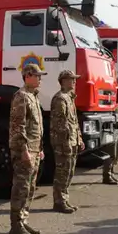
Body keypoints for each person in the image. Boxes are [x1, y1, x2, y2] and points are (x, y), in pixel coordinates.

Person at [8, 63, 46, 234]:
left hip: (34, 149)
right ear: (28, 75)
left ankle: (23, 219)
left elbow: (36, 127)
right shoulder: (21, 96)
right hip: (24, 150)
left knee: (30, 188)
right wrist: (24, 151)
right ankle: (15, 224)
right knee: (21, 187)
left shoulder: (33, 96)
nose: (40, 78)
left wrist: (39, 149)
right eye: (37, 75)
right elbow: (18, 126)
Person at [50, 70, 85, 213]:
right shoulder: (60, 99)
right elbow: (60, 125)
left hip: (72, 141)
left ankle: (64, 199)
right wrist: (65, 143)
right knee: (62, 172)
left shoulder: (69, 98)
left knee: (69, 172)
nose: (74, 82)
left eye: (74, 79)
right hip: (63, 142)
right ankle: (59, 202)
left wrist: (79, 139)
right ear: (63, 81)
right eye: (71, 79)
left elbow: (74, 122)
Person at [102, 77, 118, 184]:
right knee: (110, 153)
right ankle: (107, 176)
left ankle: (111, 173)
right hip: (112, 130)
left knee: (117, 154)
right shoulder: (110, 98)